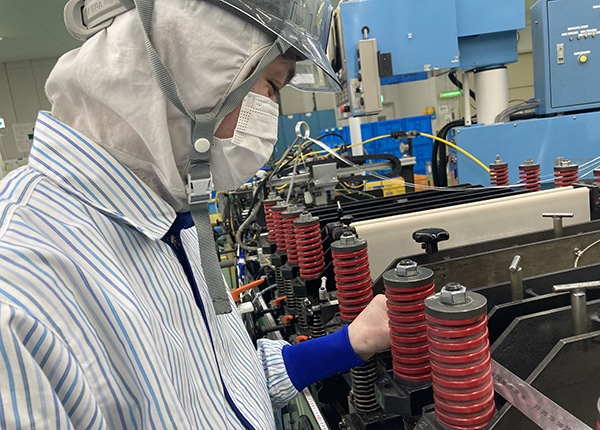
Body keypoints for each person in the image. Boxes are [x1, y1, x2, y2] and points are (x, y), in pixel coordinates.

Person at [0, 0, 390, 428]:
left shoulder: (173, 224)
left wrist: (349, 342)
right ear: (201, 65)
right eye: (270, 87)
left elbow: (219, 392)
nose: (270, 114)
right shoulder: (17, 286)